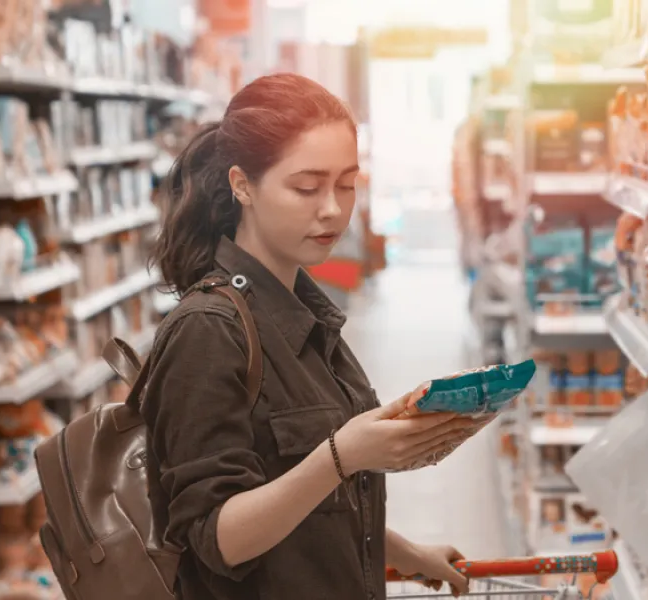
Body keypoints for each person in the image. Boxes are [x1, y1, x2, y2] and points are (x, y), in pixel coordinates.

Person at [145, 72, 475, 600]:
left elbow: (304, 505)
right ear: (242, 185)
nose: (333, 209)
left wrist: (406, 553)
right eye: (306, 187)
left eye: (346, 184)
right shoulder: (208, 332)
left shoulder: (305, 313)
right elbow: (217, 538)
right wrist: (344, 453)